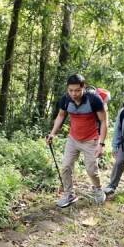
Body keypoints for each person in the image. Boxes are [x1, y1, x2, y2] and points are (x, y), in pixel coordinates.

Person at [46, 74, 108, 207]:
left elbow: (103, 121)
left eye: (77, 90)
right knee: (66, 167)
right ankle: (69, 194)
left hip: (91, 140)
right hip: (73, 139)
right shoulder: (66, 100)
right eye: (71, 90)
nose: (74, 94)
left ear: (83, 88)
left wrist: (101, 143)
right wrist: (52, 133)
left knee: (91, 169)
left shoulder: (94, 100)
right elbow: (61, 115)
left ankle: (98, 190)